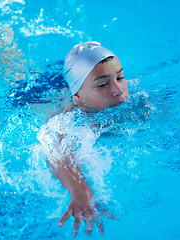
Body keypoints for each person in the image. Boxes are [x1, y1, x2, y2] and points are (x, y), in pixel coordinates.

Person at [37, 41, 128, 237]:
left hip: (79, 76)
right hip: (38, 91)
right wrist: (80, 190)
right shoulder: (69, 117)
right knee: (8, 67)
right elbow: (56, 150)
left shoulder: (121, 97)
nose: (118, 90)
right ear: (77, 97)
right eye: (104, 85)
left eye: (120, 77)